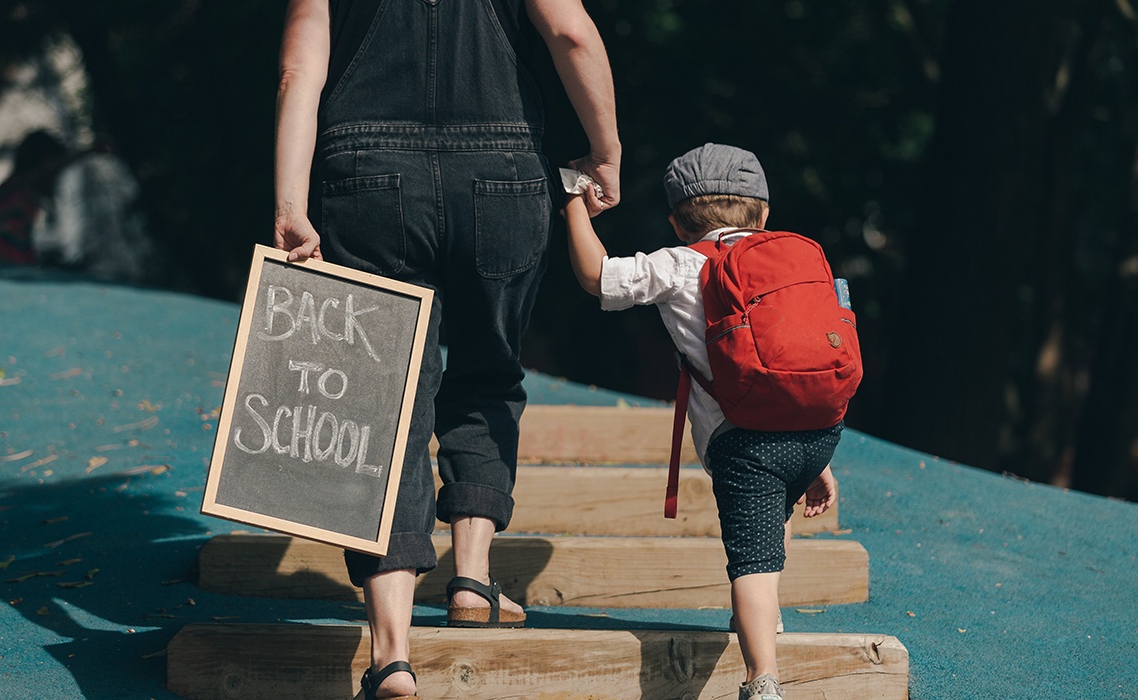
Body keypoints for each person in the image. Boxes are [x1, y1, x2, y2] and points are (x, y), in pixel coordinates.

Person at [271, 1, 620, 697]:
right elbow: (572, 33)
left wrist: (289, 202)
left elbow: (297, 72)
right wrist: (605, 149)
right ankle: (471, 578)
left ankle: (392, 655)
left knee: (377, 403)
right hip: (505, 171)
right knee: (488, 375)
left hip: (364, 176)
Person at [563, 143, 840, 700]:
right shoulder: (793, 261)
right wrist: (821, 459)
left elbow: (598, 277)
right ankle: (767, 618)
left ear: (677, 220)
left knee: (752, 564)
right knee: (771, 522)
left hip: (744, 444)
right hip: (815, 430)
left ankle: (762, 679)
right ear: (763, 215)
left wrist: (572, 199)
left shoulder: (681, 263)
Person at [0, 130, 106, 265]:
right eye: (51, 160)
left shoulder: (14, 186)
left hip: (9, 251)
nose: (55, 175)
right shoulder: (22, 182)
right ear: (40, 159)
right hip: (5, 251)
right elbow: (52, 168)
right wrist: (88, 151)